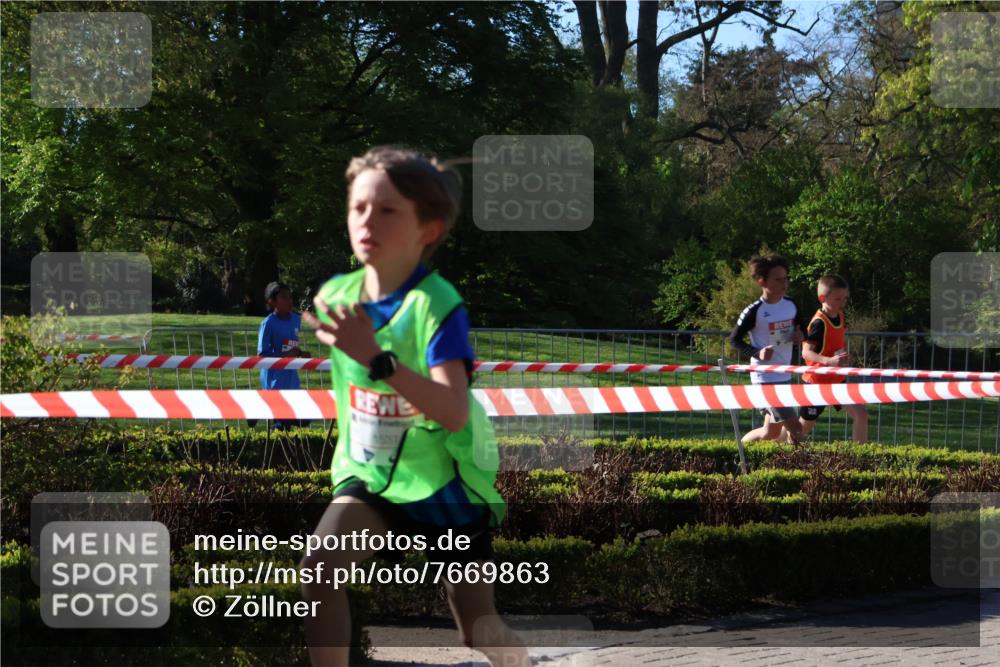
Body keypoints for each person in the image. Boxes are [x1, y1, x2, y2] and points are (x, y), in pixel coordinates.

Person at [299, 146, 529, 667]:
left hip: (444, 485)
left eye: (387, 210)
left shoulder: (437, 305)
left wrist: (376, 359)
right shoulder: (337, 295)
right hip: (374, 475)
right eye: (358, 207)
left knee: (478, 631)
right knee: (319, 569)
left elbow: (453, 411)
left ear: (429, 230)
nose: (366, 221)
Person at [729, 254, 806, 445]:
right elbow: (734, 340)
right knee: (796, 428)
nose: (784, 283)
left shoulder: (791, 304)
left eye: (786, 278)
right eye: (778, 279)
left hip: (784, 374)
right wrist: (757, 353)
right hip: (764, 378)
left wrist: (800, 336)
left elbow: (802, 330)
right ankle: (801, 464)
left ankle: (739, 449)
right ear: (761, 281)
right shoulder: (754, 311)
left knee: (770, 433)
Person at [794, 274, 869, 442]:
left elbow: (834, 343)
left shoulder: (840, 316)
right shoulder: (818, 323)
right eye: (838, 299)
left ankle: (861, 455)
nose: (843, 303)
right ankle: (776, 447)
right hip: (816, 383)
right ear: (823, 298)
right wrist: (829, 361)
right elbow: (806, 353)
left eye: (845, 298)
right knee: (803, 428)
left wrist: (843, 356)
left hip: (836, 380)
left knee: (861, 414)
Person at [256, 281, 311, 430]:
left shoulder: (296, 320)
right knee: (282, 427)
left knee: (305, 420)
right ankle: (257, 413)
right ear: (272, 301)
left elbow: (290, 344)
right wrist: (284, 356)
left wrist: (301, 353)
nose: (289, 300)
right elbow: (262, 355)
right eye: (284, 297)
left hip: (292, 379)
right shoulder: (268, 323)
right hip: (274, 381)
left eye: (290, 296)